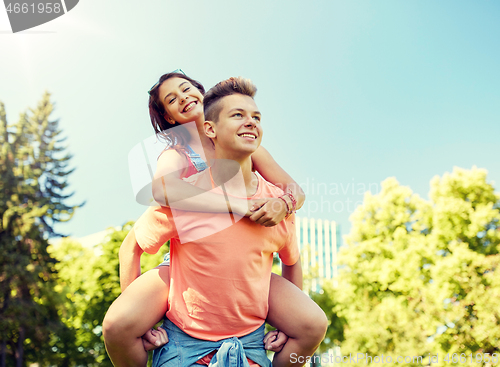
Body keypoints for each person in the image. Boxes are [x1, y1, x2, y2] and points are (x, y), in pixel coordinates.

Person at [103, 73, 327, 367]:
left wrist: (282, 204)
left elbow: (295, 192)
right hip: (187, 257)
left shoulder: (246, 142)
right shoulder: (177, 154)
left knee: (311, 321)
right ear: (169, 118)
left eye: (186, 89)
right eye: (172, 99)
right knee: (119, 324)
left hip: (248, 261)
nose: (183, 98)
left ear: (201, 92)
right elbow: (162, 190)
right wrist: (236, 207)